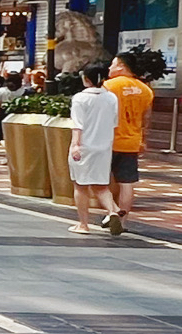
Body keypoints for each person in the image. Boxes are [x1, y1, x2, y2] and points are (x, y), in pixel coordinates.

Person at [104, 49, 156, 233]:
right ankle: (123, 221)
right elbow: (146, 118)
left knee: (102, 181)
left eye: (112, 63)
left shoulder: (109, 86)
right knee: (127, 183)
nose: (110, 67)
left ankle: (112, 211)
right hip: (132, 141)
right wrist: (143, 140)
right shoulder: (146, 90)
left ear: (121, 66)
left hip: (108, 141)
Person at [67, 61, 120, 234]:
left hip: (84, 146)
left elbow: (78, 125)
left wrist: (75, 145)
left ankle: (83, 224)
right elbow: (114, 123)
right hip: (104, 147)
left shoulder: (80, 98)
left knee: (80, 186)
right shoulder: (111, 97)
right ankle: (112, 211)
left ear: (85, 79)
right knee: (101, 185)